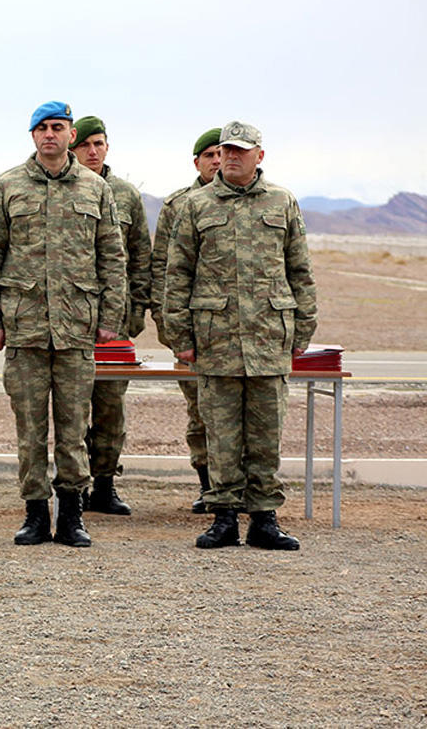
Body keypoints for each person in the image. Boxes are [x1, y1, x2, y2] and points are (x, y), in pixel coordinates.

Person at [0, 101, 126, 547]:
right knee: (31, 428)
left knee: (74, 427)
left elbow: (112, 259)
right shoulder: (8, 186)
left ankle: (73, 516)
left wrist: (109, 320)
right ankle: (36, 513)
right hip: (24, 328)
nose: (49, 135)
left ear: (71, 134)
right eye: (41, 129)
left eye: (57, 127)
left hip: (77, 327)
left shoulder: (95, 189)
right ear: (32, 136)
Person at [164, 121, 316, 551]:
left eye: (241, 150)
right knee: (222, 434)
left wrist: (302, 329)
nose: (231, 156)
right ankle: (224, 518)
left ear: (259, 156)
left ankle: (265, 519)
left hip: (269, 336)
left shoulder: (282, 202)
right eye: (226, 150)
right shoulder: (196, 205)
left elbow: (299, 270)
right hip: (216, 339)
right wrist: (180, 335)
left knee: (266, 433)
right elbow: (177, 275)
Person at [69, 115, 152, 515]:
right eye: (85, 144)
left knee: (110, 408)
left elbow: (141, 259)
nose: (93, 150)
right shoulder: (64, 190)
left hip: (113, 323)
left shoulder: (126, 195)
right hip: (69, 319)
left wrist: (133, 312)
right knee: (71, 406)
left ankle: (104, 484)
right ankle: (74, 485)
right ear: (72, 148)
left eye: (99, 143)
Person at [151, 128, 222, 512]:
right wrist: (172, 332)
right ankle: (209, 486)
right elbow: (161, 270)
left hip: (238, 334)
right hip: (193, 334)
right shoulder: (179, 205)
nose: (215, 160)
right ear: (196, 162)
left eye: (220, 153)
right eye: (208, 155)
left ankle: (243, 490)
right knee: (200, 413)